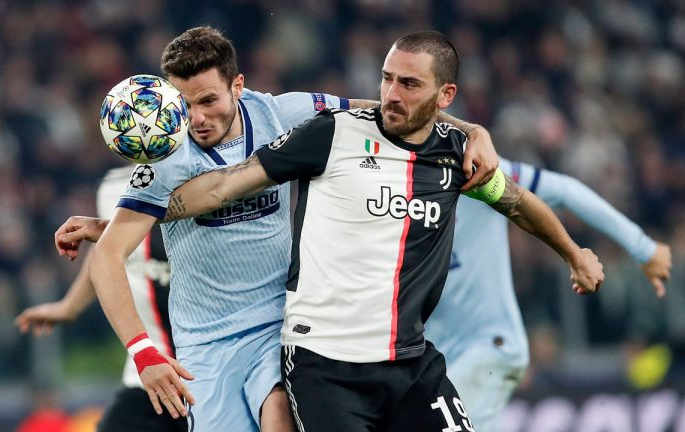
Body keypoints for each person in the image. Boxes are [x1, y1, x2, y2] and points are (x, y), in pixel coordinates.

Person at [68, 30, 604, 431]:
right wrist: (144, 350)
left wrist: (472, 129)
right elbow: (118, 252)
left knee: (279, 414)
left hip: (280, 322)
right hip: (205, 340)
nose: (197, 117)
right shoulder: (162, 158)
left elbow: (382, 113)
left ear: (238, 86)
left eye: (209, 101)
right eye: (184, 105)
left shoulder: (287, 114)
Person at [425, 157, 672, 431]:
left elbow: (564, 190)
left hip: (487, 346)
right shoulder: (391, 190)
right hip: (432, 360)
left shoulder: (473, 168)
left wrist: (643, 248)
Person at [16, 166, 188, 432]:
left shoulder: (198, 173)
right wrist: (69, 306)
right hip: (146, 373)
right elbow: (107, 252)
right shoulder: (111, 186)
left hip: (205, 370)